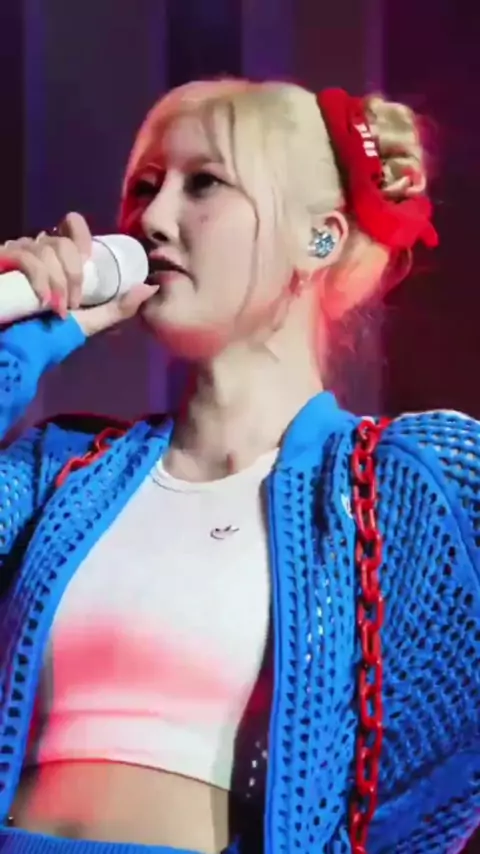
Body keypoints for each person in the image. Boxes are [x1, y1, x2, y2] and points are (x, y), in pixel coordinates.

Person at [0, 77, 478, 854]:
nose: (152, 219)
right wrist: (22, 333)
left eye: (204, 184)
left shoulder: (404, 487)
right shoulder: (58, 469)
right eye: (145, 187)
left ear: (319, 238)